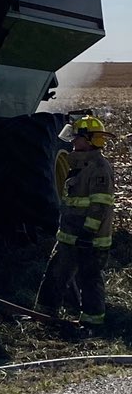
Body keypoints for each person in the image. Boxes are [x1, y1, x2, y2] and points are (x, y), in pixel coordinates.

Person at [35, 114, 115, 331]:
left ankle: (92, 323)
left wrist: (88, 233)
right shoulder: (78, 164)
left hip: (89, 239)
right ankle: (44, 313)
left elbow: (100, 205)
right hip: (68, 236)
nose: (72, 141)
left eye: (76, 137)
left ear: (89, 140)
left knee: (89, 279)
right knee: (55, 274)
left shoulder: (99, 168)